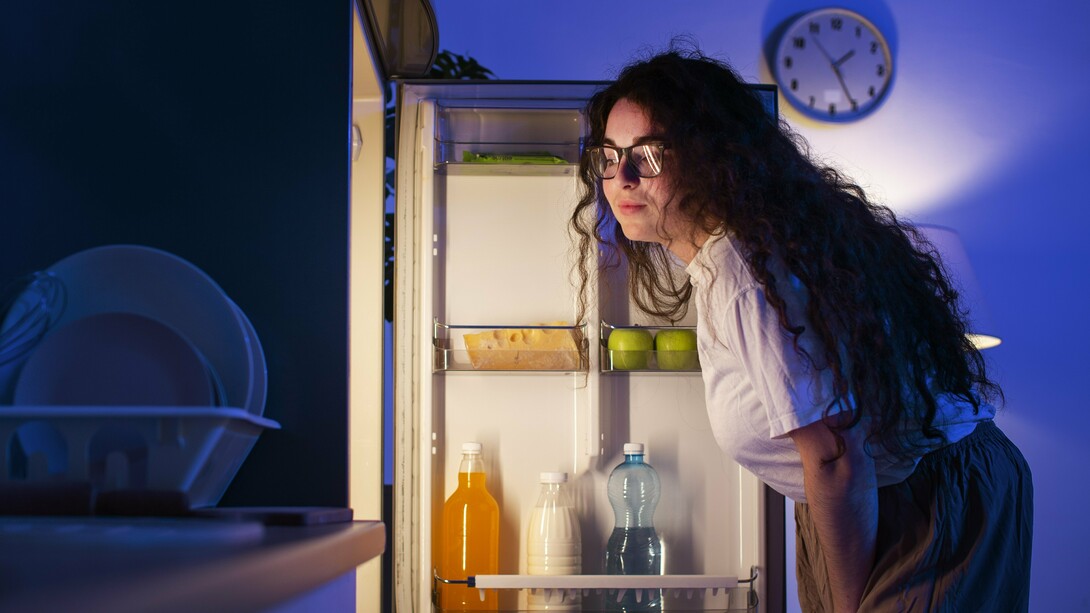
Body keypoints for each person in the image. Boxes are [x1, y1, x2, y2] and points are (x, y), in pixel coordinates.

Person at [569, 46, 1033, 613]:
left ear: (713, 158)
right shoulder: (721, 261)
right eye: (611, 156)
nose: (623, 176)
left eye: (649, 153)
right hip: (869, 498)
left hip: (929, 494)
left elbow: (838, 456)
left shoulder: (742, 268)